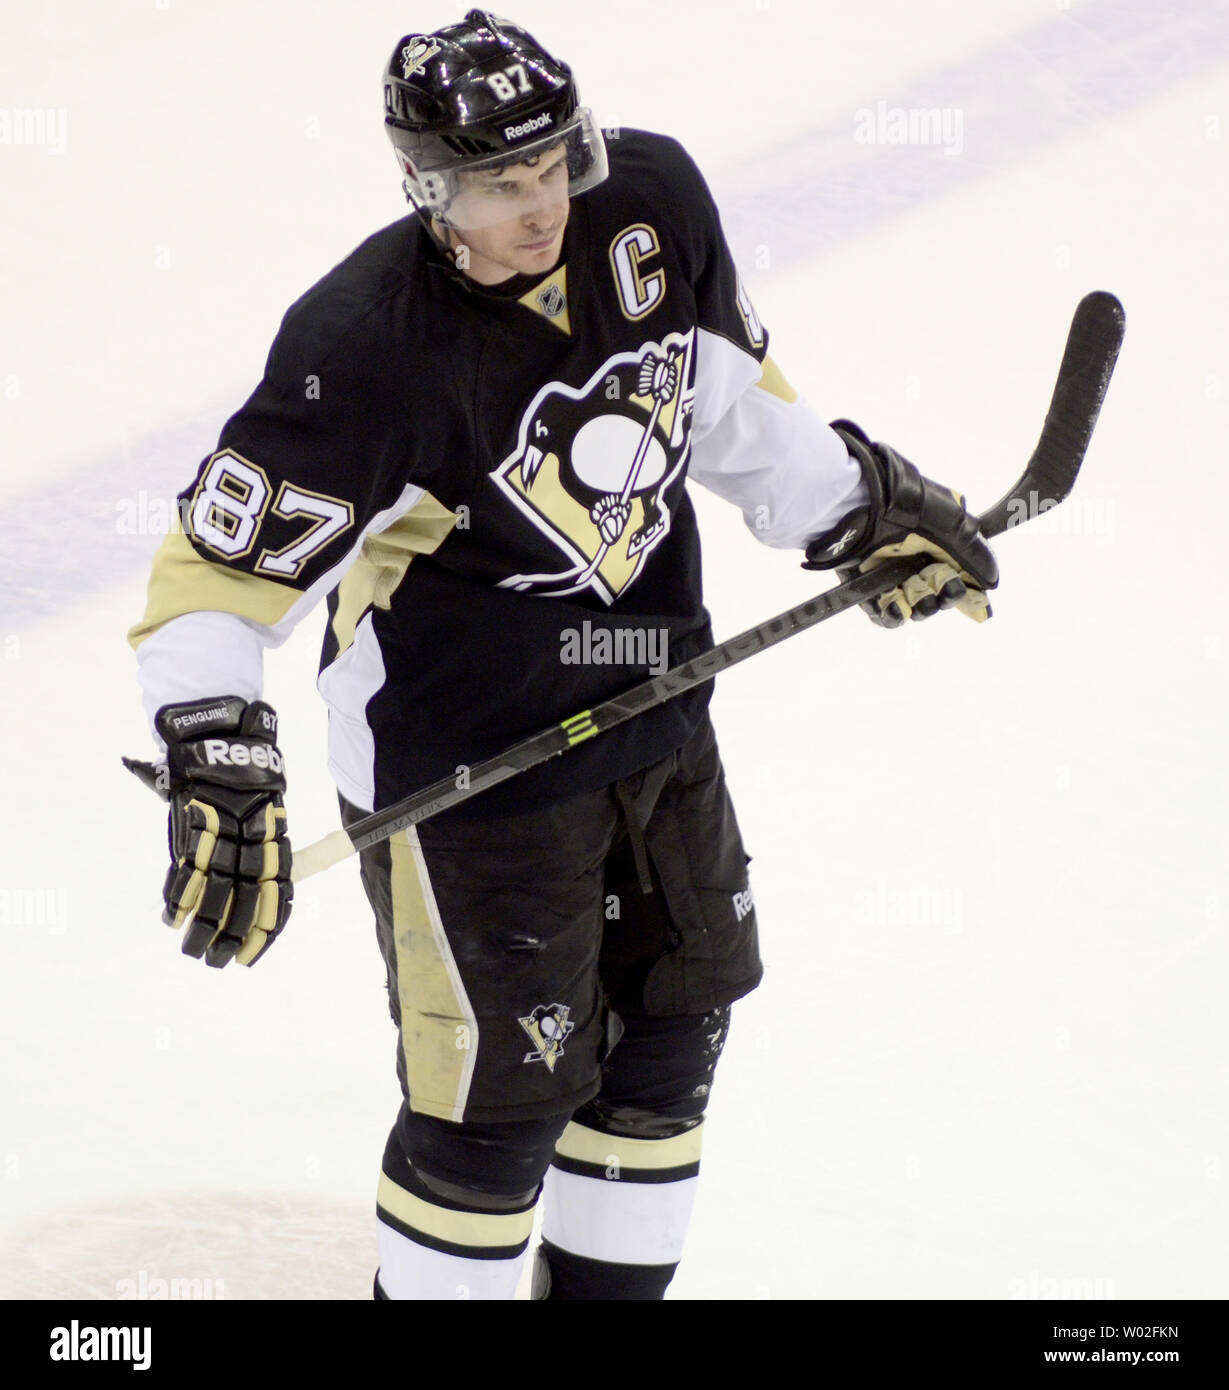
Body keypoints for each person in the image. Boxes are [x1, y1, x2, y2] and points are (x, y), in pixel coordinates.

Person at [125, 9, 997, 1300]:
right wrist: (221, 760)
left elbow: (716, 397)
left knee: (664, 1047)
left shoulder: (648, 205)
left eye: (556, 167)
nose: (543, 209)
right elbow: (213, 577)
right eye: (501, 184)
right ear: (430, 188)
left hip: (655, 708)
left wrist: (853, 510)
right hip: (466, 772)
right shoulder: (361, 345)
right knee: (490, 1116)